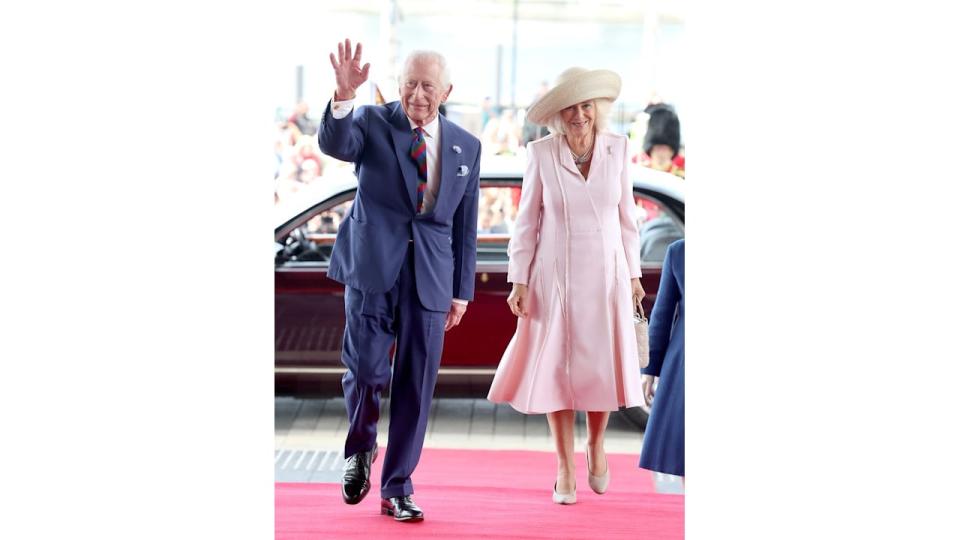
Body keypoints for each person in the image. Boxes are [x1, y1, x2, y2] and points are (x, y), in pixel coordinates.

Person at [318, 39, 481, 522]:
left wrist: (461, 291)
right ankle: (360, 450)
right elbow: (335, 142)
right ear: (399, 85)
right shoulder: (370, 123)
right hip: (372, 270)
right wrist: (343, 95)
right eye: (410, 84)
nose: (417, 95)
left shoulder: (466, 146)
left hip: (430, 280)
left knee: (416, 386)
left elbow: (464, 227)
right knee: (367, 371)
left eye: (428, 86)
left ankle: (398, 487)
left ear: (446, 89)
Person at [487, 67, 646, 505]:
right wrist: (517, 279)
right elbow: (526, 224)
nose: (580, 115)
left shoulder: (619, 149)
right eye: (571, 107)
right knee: (556, 369)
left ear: (598, 109)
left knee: (599, 368)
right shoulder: (541, 153)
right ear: (559, 114)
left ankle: (595, 444)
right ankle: (563, 465)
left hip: (607, 278)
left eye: (587, 105)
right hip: (553, 277)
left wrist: (633, 276)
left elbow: (628, 220)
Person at [638, 239, 685, 480]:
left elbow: (662, 315)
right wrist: (649, 369)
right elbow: (662, 315)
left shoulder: (679, 252)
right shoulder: (679, 252)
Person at [640, 103, 684, 178]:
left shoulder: (680, 176)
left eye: (664, 149)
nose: (661, 153)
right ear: (651, 150)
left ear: (672, 151)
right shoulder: (641, 173)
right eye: (657, 148)